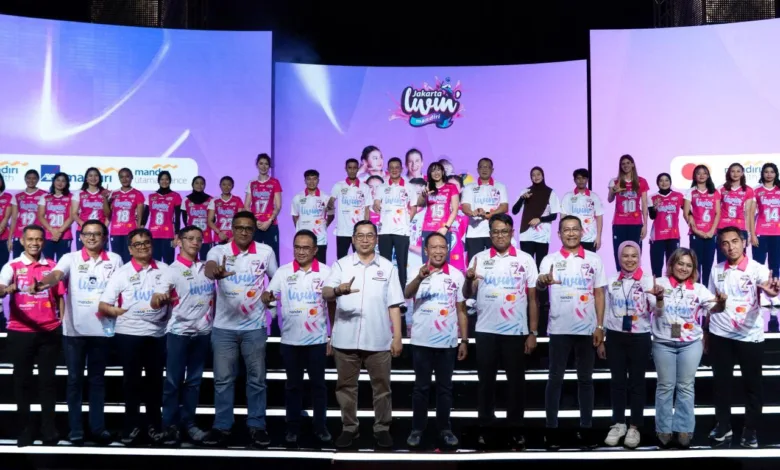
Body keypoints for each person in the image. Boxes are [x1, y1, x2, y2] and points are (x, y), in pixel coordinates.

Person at [33, 220, 123, 446]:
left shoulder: (115, 259)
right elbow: (56, 275)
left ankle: (98, 429)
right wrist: (43, 284)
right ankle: (75, 430)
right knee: (74, 381)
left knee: (97, 381)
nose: (92, 237)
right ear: (80, 237)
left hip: (103, 330)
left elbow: (121, 290)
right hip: (74, 331)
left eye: (97, 234)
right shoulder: (70, 258)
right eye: (87, 234)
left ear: (105, 237)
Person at [323, 220, 404, 449]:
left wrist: (397, 336)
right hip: (345, 338)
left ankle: (382, 428)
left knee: (382, 388)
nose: (365, 240)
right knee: (345, 388)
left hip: (378, 339)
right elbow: (326, 293)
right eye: (360, 235)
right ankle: (349, 428)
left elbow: (394, 304)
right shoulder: (341, 265)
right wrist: (338, 290)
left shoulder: (387, 267)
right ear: (353, 239)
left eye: (370, 235)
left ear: (376, 239)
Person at [202, 210, 277, 448]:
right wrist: (215, 272)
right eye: (239, 227)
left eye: (248, 228)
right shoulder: (219, 251)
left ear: (254, 231)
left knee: (257, 380)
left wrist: (272, 305)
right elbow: (209, 268)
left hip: (255, 326)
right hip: (223, 328)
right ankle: (222, 426)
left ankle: (257, 425)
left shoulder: (266, 251)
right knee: (223, 380)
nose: (244, 232)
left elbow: (276, 281)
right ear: (232, 229)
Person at [464, 214, 539, 449]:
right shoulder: (479, 258)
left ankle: (516, 429)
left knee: (516, 384)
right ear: (490, 234)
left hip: (516, 332)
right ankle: (486, 428)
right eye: (495, 232)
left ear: (512, 232)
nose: (500, 236)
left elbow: (533, 299)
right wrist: (468, 279)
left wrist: (533, 332)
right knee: (486, 382)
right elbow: (467, 293)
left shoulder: (525, 259)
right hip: (485, 331)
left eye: (504, 231)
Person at [537, 215, 606, 449]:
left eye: (575, 229)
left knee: (585, 380)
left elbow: (599, 294)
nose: (571, 233)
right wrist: (543, 281)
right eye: (566, 230)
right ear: (559, 234)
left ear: (582, 231)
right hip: (559, 328)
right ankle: (551, 430)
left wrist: (600, 326)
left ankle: (586, 429)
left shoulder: (594, 259)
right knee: (555, 379)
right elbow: (540, 284)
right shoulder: (550, 259)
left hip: (587, 329)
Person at [708, 227, 779, 449]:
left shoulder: (758, 269)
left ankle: (751, 429)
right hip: (720, 334)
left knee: (753, 386)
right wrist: (706, 333)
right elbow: (711, 304)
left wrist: (771, 292)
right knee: (721, 384)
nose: (730, 247)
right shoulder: (716, 270)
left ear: (744, 242)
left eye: (735, 241)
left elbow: (768, 289)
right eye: (725, 243)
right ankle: (723, 425)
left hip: (750, 336)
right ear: (721, 247)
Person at [98, 228, 168, 446]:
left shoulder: (166, 270)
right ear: (130, 249)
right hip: (128, 335)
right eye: (138, 244)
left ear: (152, 245)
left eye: (146, 242)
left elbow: (176, 301)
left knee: (155, 384)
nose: (143, 247)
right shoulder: (122, 273)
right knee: (131, 383)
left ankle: (155, 427)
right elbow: (103, 305)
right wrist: (116, 311)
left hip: (157, 335)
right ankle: (131, 427)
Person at [261, 229, 332, 445]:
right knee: (292, 387)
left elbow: (332, 306)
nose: (301, 252)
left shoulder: (326, 272)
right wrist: (266, 298)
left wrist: (332, 336)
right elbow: (269, 296)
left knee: (319, 386)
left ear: (315, 250)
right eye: (297, 247)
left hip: (317, 341)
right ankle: (292, 428)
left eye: (306, 248)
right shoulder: (283, 272)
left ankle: (320, 427)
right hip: (290, 341)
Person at [0, 225, 65, 446]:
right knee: (22, 383)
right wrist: (6, 290)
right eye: (30, 239)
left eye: (38, 239)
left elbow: (60, 297)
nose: (34, 243)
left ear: (43, 242)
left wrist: (61, 324)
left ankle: (49, 430)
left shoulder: (53, 267)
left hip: (49, 332)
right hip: (20, 333)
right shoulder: (12, 266)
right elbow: (0, 287)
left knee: (48, 383)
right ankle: (25, 431)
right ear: (22, 241)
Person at [404, 232, 468, 449]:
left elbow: (461, 310)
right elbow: (407, 293)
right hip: (421, 341)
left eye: (442, 247)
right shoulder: (416, 271)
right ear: (426, 250)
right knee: (421, 388)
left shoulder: (456, 275)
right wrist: (419, 277)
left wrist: (464, 340)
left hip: (447, 342)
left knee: (445, 389)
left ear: (447, 249)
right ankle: (417, 430)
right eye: (434, 247)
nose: (439, 251)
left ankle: (445, 429)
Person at [151, 225, 214, 446]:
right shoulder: (171, 270)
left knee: (194, 382)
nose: (195, 242)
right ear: (179, 241)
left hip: (202, 333)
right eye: (190, 238)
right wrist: (159, 299)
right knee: (173, 382)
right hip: (178, 333)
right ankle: (169, 426)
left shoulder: (207, 268)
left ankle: (189, 423)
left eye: (199, 239)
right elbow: (157, 297)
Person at [651, 247, 715, 449]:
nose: (684, 268)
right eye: (680, 263)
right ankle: (663, 429)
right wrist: (659, 298)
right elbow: (657, 312)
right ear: (672, 264)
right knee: (665, 386)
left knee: (686, 386)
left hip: (691, 343)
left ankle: (684, 428)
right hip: (663, 342)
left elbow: (715, 308)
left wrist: (721, 303)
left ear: (693, 269)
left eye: (689, 265)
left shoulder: (698, 289)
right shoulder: (659, 284)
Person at [600, 241, 654, 449]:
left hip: (640, 336)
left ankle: (634, 426)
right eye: (625, 255)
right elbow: (606, 310)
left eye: (634, 256)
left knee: (637, 383)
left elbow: (656, 310)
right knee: (617, 382)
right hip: (615, 336)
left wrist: (657, 298)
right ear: (619, 258)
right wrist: (603, 336)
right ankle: (618, 424)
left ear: (639, 258)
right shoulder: (611, 280)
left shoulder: (648, 280)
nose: (629, 260)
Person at [374, 157, 417, 290]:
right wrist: (377, 206)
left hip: (402, 232)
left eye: (397, 167)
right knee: (384, 264)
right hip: (385, 231)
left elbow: (414, 208)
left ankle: (401, 292)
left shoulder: (409, 187)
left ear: (401, 169)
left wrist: (406, 222)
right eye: (391, 168)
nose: (394, 170)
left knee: (401, 264)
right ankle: (384, 290)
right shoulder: (381, 187)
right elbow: (376, 204)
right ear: (387, 169)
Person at [461, 158, 509, 262]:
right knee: (474, 263)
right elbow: (465, 207)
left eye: (487, 167)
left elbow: (504, 206)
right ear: (477, 170)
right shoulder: (469, 187)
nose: (484, 169)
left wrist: (491, 214)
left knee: (496, 262)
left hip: (495, 232)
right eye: (482, 167)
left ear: (492, 170)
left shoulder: (500, 186)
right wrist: (472, 213)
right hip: (474, 233)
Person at [607, 155, 649, 272]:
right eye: (623, 164)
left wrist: (645, 225)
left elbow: (644, 204)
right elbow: (609, 199)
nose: (626, 165)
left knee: (636, 251)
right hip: (619, 223)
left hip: (636, 223)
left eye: (628, 163)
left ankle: (636, 276)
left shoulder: (641, 181)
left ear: (633, 164)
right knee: (619, 251)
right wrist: (614, 190)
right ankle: (619, 276)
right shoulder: (615, 181)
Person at [513, 166, 560, 269]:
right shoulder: (526, 191)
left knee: (541, 266)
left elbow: (554, 216)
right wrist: (522, 198)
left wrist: (540, 219)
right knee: (527, 266)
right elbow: (514, 211)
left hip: (542, 235)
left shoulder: (550, 192)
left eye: (538, 174)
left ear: (543, 176)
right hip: (526, 234)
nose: (536, 177)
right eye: (533, 175)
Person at [683, 164, 720, 287]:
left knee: (708, 264)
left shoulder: (714, 192)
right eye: (698, 173)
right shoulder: (690, 192)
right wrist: (696, 230)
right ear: (694, 176)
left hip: (710, 234)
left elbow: (718, 213)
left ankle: (707, 290)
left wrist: (712, 231)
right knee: (696, 264)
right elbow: (686, 213)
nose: (702, 175)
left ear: (708, 175)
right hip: (696, 234)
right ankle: (696, 290)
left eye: (704, 173)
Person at [417, 162, 460, 263]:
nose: (436, 173)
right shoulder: (427, 188)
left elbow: (455, 210)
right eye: (433, 171)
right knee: (427, 261)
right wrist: (423, 195)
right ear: (429, 174)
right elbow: (419, 204)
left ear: (443, 172)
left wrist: (446, 227)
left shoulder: (451, 187)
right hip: (428, 228)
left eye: (438, 170)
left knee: (443, 261)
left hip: (443, 229)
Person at [328, 158, 371, 259]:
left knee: (361, 258)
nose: (352, 170)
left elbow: (367, 209)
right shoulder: (339, 186)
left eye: (354, 168)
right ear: (346, 169)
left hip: (358, 232)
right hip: (342, 231)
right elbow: (330, 202)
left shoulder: (365, 187)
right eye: (349, 168)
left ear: (358, 169)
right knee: (341, 259)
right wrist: (330, 205)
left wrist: (366, 228)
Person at [245, 153, 282, 265]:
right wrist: (255, 221)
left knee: (273, 257)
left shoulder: (274, 182)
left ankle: (274, 277)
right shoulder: (252, 183)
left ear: (269, 166)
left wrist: (269, 221)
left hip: (271, 224)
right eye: (261, 163)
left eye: (266, 164)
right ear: (257, 165)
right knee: (253, 257)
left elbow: (278, 206)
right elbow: (246, 205)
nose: (264, 166)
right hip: (255, 225)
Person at [291, 170, 332, 264]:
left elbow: (331, 215)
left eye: (314, 179)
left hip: (320, 239)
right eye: (309, 179)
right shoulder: (297, 197)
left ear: (318, 180)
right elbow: (295, 216)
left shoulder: (326, 197)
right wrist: (300, 229)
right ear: (305, 181)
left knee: (320, 266)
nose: (311, 182)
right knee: (302, 264)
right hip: (302, 240)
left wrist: (324, 226)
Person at [717, 163, 754, 264]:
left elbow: (747, 213)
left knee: (740, 260)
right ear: (729, 173)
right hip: (723, 227)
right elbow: (716, 210)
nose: (735, 174)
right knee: (722, 259)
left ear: (742, 173)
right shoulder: (721, 188)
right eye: (732, 171)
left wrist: (748, 233)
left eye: (738, 171)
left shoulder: (748, 190)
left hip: (740, 228)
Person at [107, 168, 145, 263]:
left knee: (130, 258)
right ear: (119, 178)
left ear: (132, 177)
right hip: (115, 231)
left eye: (127, 176)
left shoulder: (138, 194)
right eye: (122, 177)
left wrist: (138, 231)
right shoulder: (113, 194)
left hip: (130, 232)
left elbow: (140, 216)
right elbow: (108, 214)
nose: (124, 179)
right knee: (116, 259)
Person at [560, 168, 603, 253]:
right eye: (578, 178)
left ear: (587, 179)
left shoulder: (594, 197)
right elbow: (563, 217)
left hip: (590, 238)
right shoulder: (568, 196)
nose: (581, 181)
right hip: (572, 237)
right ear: (574, 180)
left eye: (583, 178)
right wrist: (563, 236)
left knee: (589, 261)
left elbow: (599, 217)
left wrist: (598, 237)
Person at [648, 173, 683, 277]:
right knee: (656, 267)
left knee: (673, 266)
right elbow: (652, 216)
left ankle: (672, 286)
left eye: (666, 180)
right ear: (657, 183)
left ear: (670, 182)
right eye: (661, 180)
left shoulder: (678, 196)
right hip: (657, 236)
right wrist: (654, 208)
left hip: (673, 236)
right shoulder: (652, 197)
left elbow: (687, 212)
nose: (664, 183)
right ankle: (656, 285)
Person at [145, 170, 182, 264]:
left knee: (169, 263)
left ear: (170, 181)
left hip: (168, 235)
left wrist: (177, 235)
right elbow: (145, 216)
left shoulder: (176, 196)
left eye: (167, 179)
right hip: (153, 235)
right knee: (154, 262)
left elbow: (177, 217)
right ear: (158, 181)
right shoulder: (151, 196)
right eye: (162, 179)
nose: (164, 181)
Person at [37, 172, 74, 261]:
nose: (60, 183)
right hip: (48, 235)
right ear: (53, 181)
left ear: (67, 183)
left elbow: (72, 216)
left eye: (63, 181)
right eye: (58, 180)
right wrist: (52, 230)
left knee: (63, 263)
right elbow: (40, 216)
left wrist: (59, 232)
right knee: (47, 262)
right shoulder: (45, 197)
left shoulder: (72, 197)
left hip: (64, 236)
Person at [9, 169, 47, 258]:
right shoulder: (17, 195)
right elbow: (14, 218)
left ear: (38, 179)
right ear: (25, 179)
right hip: (20, 233)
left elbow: (45, 216)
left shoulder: (44, 195)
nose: (31, 180)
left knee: (36, 259)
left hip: (36, 234)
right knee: (18, 260)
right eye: (29, 178)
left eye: (34, 178)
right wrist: (10, 237)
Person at [752, 162, 780, 277]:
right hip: (761, 232)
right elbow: (751, 214)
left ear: (776, 174)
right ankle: (758, 288)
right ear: (762, 173)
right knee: (758, 265)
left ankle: (774, 287)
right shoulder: (756, 190)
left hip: (777, 233)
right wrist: (752, 234)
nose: (769, 174)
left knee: (775, 265)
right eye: (766, 172)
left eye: (772, 172)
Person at [71, 167, 109, 251]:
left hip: (100, 231)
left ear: (99, 178)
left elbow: (108, 214)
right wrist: (83, 225)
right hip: (83, 230)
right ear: (86, 179)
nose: (93, 178)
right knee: (82, 255)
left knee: (101, 255)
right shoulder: (79, 193)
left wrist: (104, 228)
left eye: (96, 175)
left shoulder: (105, 193)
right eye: (90, 176)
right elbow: (74, 214)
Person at [182, 176, 214, 261]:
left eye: (202, 183)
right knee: (191, 259)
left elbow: (213, 219)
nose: (199, 185)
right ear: (192, 184)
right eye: (197, 183)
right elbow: (184, 219)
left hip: (206, 237)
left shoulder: (211, 199)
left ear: (205, 185)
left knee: (205, 260)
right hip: (192, 237)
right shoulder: (186, 200)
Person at [207, 176, 244, 245]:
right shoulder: (214, 200)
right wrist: (219, 233)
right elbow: (209, 221)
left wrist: (235, 236)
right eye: (224, 184)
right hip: (219, 237)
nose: (226, 187)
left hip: (234, 236)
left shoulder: (237, 200)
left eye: (229, 185)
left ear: (232, 186)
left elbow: (241, 219)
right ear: (220, 186)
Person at [0, 173, 14, 270]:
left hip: (3, 236)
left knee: (2, 265)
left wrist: (1, 228)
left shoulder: (8, 197)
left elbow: (6, 217)